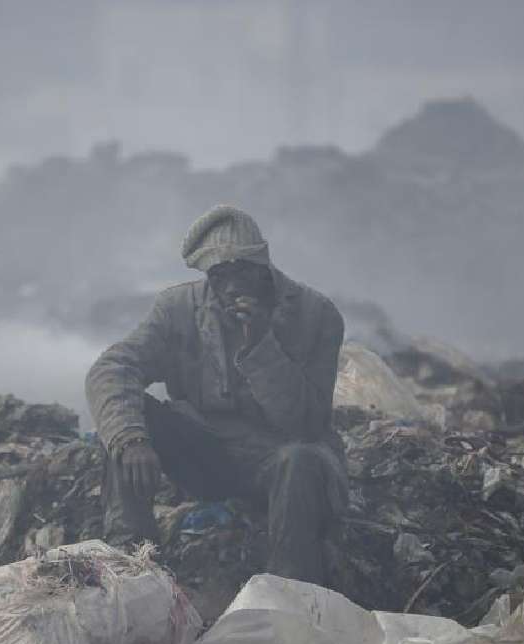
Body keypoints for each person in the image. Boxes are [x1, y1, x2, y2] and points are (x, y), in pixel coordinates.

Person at [85, 205, 347, 585]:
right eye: (218, 276)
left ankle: (291, 592)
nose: (230, 287)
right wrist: (131, 439)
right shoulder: (178, 309)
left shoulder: (316, 316)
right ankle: (130, 566)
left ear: (262, 266)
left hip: (280, 461)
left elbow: (306, 423)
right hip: (208, 453)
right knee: (128, 419)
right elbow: (113, 368)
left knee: (301, 460)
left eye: (240, 272)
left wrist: (260, 346)